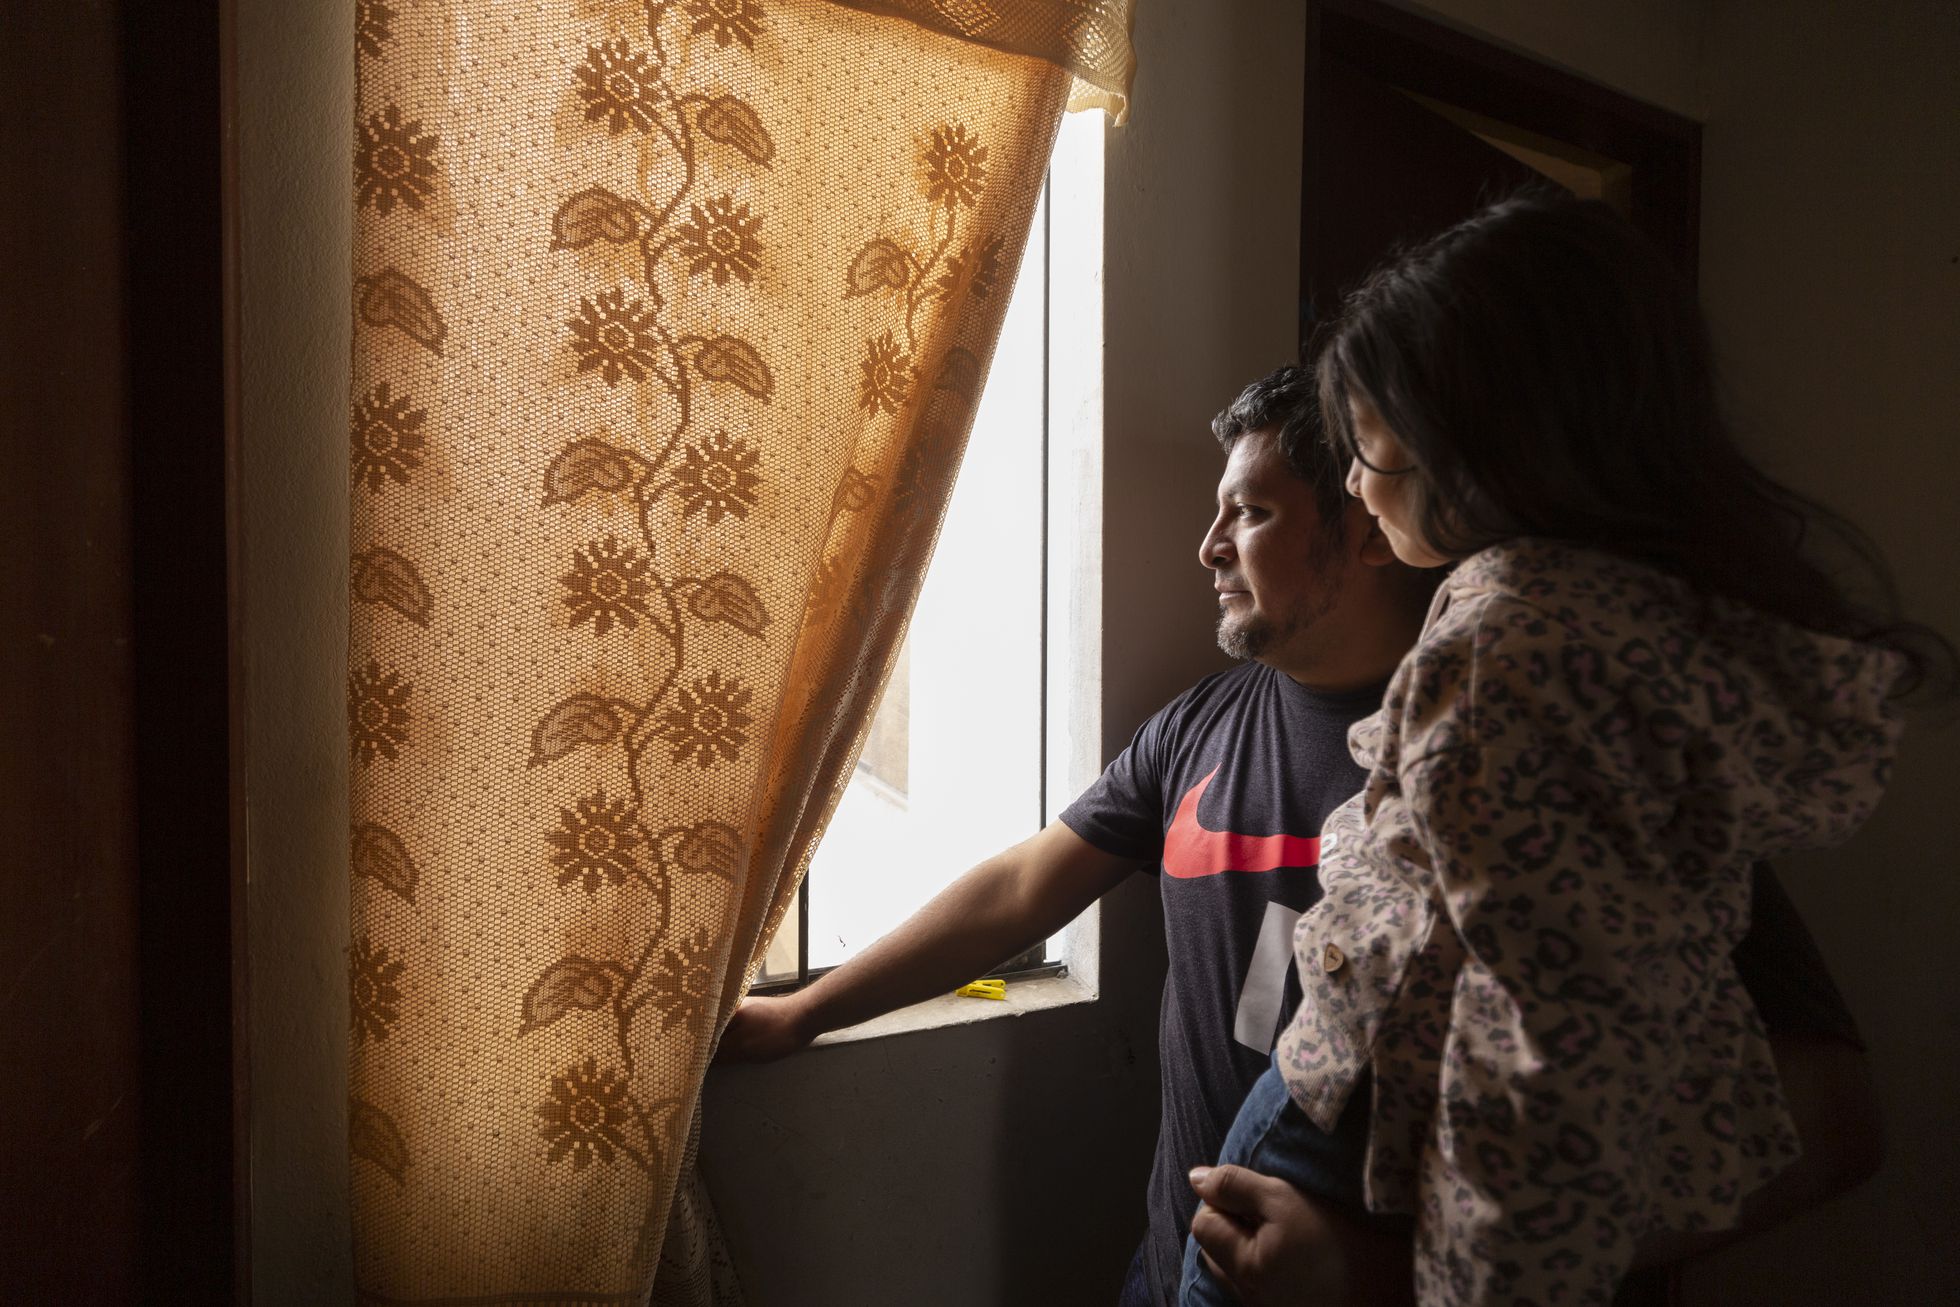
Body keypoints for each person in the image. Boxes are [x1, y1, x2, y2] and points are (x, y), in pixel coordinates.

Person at [719, 361, 1885, 1307]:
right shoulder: (1199, 723)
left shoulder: (1532, 755)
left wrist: (1387, 1274)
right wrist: (800, 1012)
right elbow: (1028, 883)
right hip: (1174, 1269)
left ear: (1369, 527)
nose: (1208, 546)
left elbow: (1831, 1127)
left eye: (1253, 510)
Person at [1179, 192, 1947, 1307]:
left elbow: (1535, 1039)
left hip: (1348, 1150)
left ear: (1476, 440)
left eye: (1369, 453)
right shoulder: (1643, 624)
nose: (1352, 483)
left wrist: (1412, 1282)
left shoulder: (1502, 653)